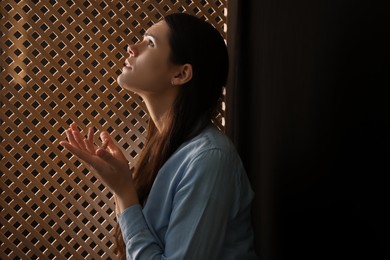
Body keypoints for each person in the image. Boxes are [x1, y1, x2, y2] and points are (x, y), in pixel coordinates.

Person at [60, 13, 257, 259]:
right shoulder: (167, 148)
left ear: (181, 74)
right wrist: (122, 190)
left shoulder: (209, 159)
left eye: (150, 43)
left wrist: (124, 192)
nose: (132, 48)